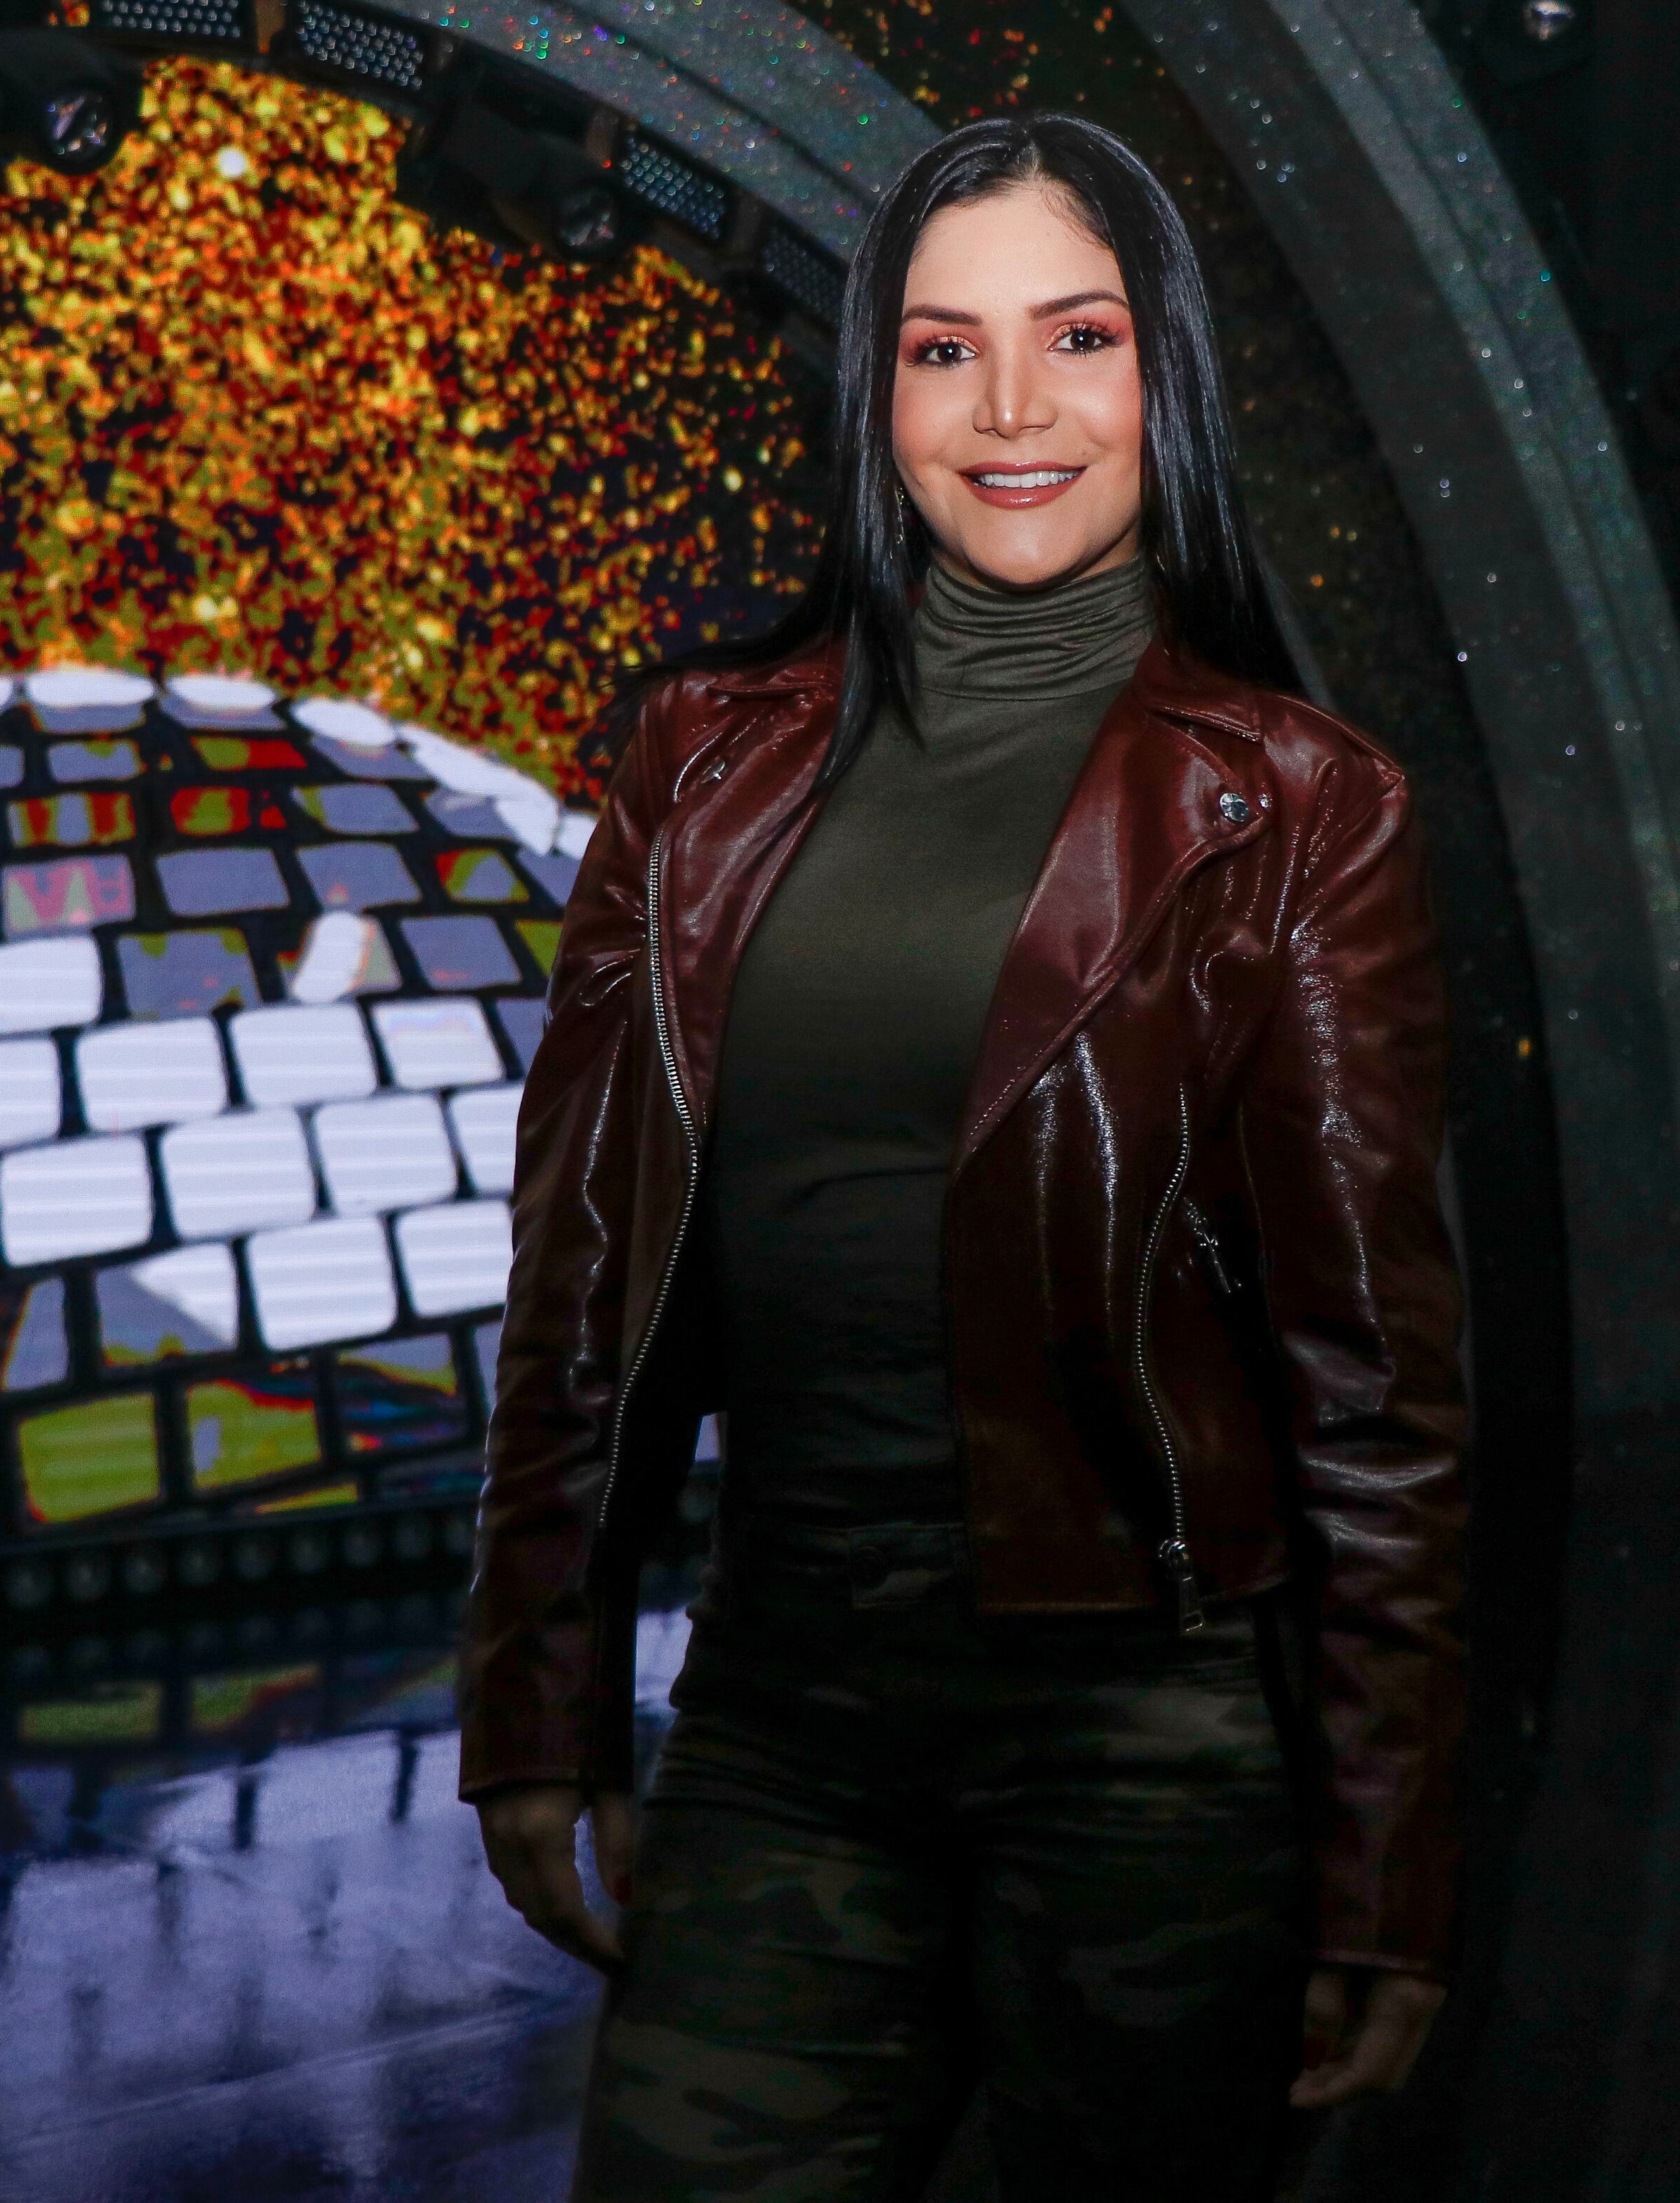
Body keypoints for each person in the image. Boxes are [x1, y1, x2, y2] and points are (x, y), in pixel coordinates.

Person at [458, 109, 1471, 2201]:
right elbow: (582, 1276)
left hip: (1148, 1738)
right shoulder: (699, 762)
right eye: (946, 349)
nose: (1013, 408)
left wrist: (1390, 1861)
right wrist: (539, 1699)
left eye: (1078, 337)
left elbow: (1375, 1389)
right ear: (880, 393)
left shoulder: (1298, 803)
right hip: (783, 1704)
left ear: (1164, 379)